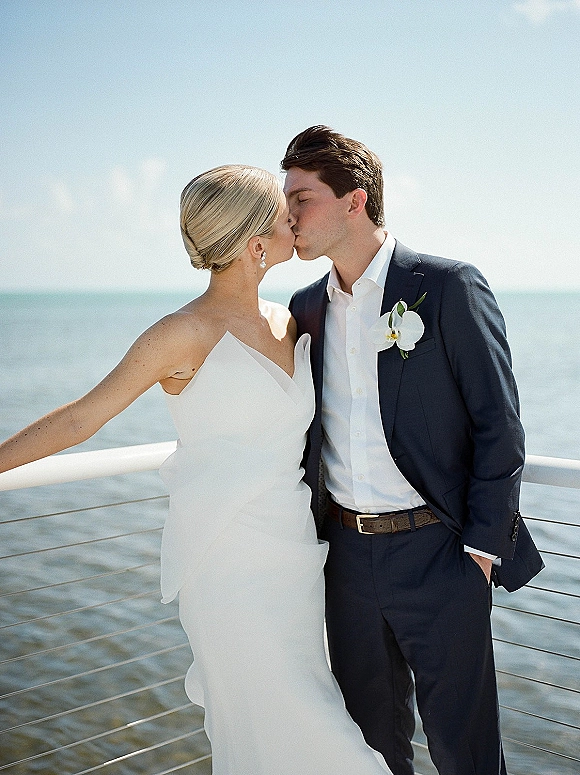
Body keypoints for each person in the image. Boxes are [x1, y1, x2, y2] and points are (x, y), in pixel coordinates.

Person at [0, 165, 394, 775]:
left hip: (293, 558)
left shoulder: (290, 321)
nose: (294, 219)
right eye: (282, 213)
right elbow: (83, 418)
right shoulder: (178, 335)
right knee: (296, 725)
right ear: (254, 241)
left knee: (298, 715)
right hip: (226, 566)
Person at [281, 126, 544, 775]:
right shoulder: (305, 306)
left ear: (355, 201)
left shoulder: (448, 286)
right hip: (346, 561)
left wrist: (480, 554)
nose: (287, 216)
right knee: (368, 749)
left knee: (465, 751)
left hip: (442, 557)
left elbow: (499, 427)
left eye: (302, 199)